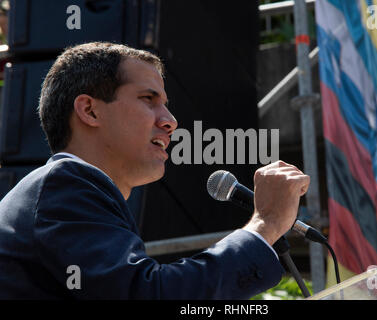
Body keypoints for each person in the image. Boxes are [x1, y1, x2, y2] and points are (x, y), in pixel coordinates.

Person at [0, 42, 310, 299]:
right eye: (149, 99)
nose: (170, 121)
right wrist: (265, 224)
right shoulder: (65, 184)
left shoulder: (71, 193)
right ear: (90, 110)